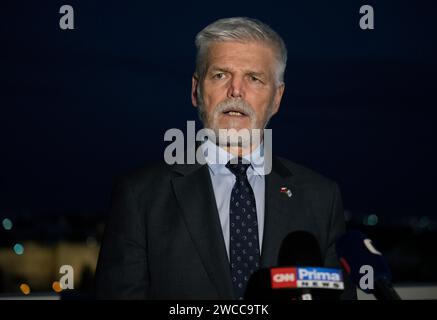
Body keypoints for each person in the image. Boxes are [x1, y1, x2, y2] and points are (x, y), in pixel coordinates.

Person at [95, 17, 356, 300]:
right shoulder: (140, 196)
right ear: (196, 90)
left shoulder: (321, 198)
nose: (236, 90)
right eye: (220, 75)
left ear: (277, 98)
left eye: (254, 78)